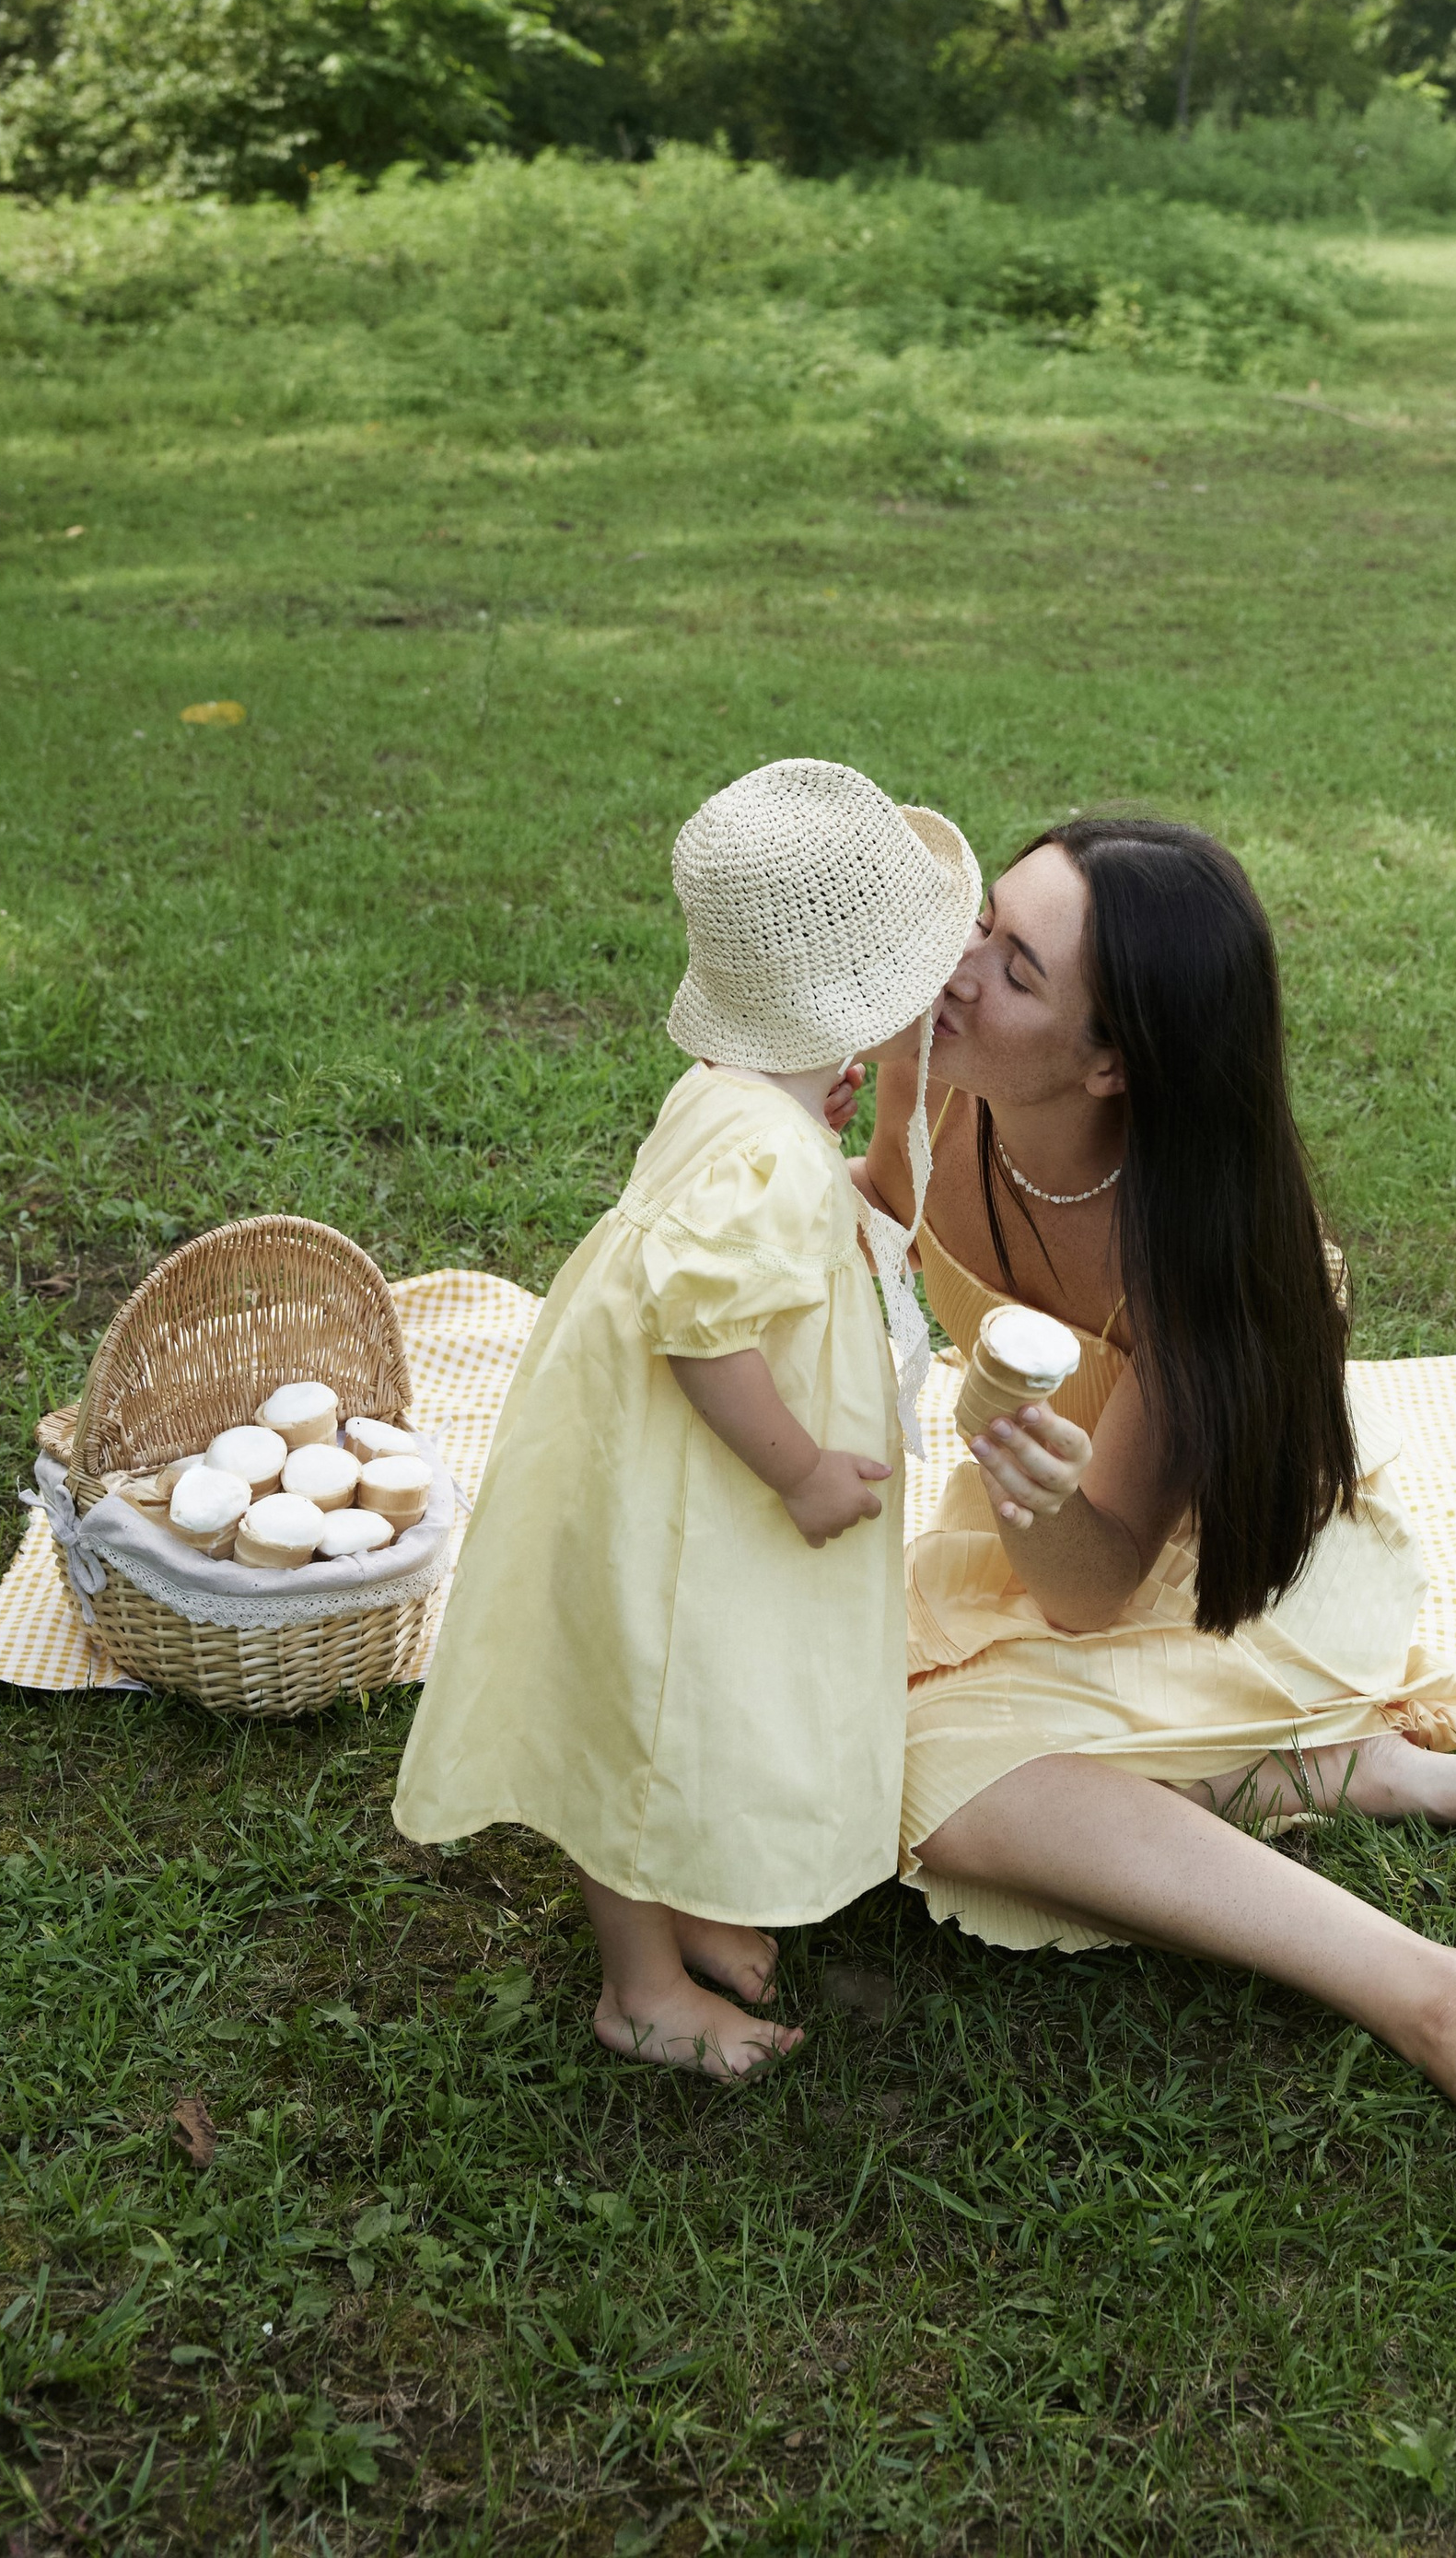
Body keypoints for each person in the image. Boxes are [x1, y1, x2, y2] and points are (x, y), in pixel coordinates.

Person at [858, 816, 1456, 2228]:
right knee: (837, 1713)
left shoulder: (1181, 1258)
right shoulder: (929, 1054)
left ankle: (1448, 1990)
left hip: (1203, 1565)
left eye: (1016, 968)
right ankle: (1332, 1776)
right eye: (981, 920)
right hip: (1037, 1501)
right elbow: (879, 1213)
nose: (957, 971)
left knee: (927, 1772)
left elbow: (1092, 1584)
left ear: (1110, 1062)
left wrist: (1014, 1467)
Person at [394, 757, 978, 2078]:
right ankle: (640, 1986)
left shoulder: (742, 1098)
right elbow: (704, 1327)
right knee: (648, 1708)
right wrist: (803, 1473)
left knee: (704, 1687)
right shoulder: (770, 1152)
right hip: (694, 1471)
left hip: (664, 1464)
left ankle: (690, 1893)